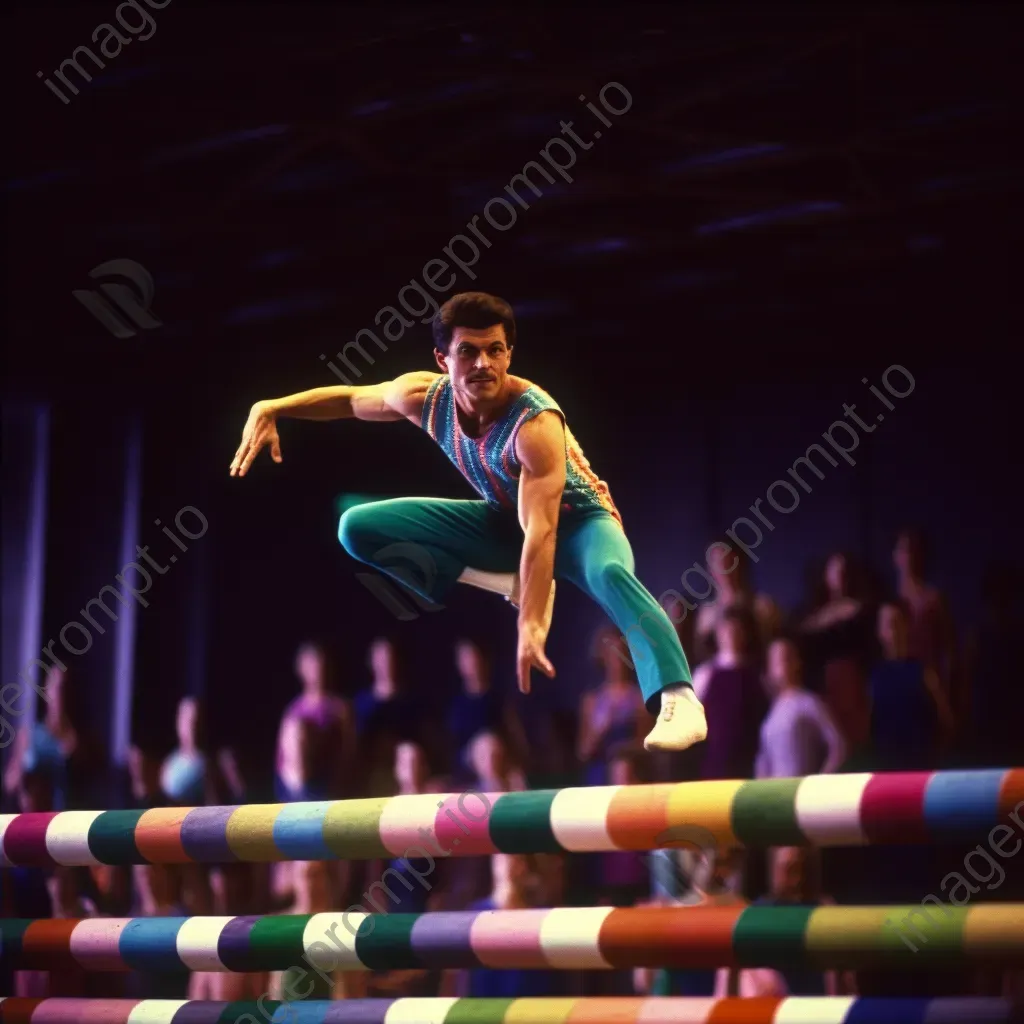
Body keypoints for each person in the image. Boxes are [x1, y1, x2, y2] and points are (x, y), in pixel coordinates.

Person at [229, 291, 706, 752]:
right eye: (468, 352)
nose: (483, 364)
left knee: (609, 574)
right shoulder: (420, 397)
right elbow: (351, 400)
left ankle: (678, 696)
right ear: (443, 360)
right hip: (502, 523)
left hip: (581, 525)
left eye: (495, 350)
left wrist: (533, 625)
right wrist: (274, 406)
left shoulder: (534, 424)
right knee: (355, 527)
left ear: (509, 354)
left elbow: (542, 532)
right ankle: (502, 580)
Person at [691, 608, 769, 780]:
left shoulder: (757, 676)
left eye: (736, 630)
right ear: (718, 634)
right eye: (726, 630)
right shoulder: (705, 674)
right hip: (715, 762)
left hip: (748, 762)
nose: (731, 635)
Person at [755, 637, 846, 778]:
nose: (779, 664)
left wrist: (819, 783)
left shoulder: (809, 702)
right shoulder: (772, 711)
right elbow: (763, 760)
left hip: (799, 793)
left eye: (784, 657)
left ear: (797, 662)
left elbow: (838, 746)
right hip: (773, 795)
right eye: (774, 660)